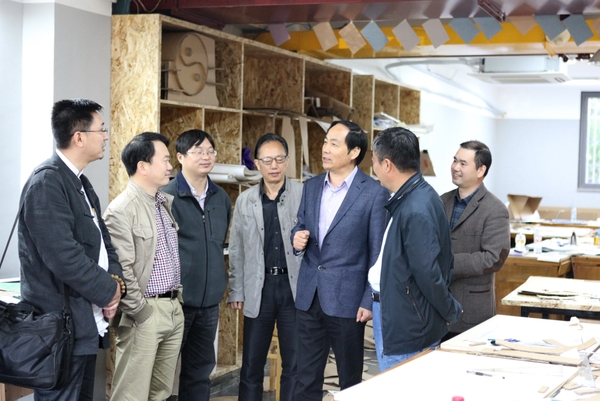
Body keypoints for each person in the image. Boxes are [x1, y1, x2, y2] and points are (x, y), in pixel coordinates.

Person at [18, 98, 124, 400]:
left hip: (85, 323)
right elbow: (64, 257)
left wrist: (116, 285)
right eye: (101, 130)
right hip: (60, 328)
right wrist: (108, 292)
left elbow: (104, 243)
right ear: (79, 137)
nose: (106, 137)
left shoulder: (81, 183)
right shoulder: (47, 183)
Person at [291, 120, 388, 400]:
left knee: (350, 380)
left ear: (354, 152)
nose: (325, 149)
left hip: (349, 301)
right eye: (325, 142)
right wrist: (296, 237)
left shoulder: (374, 193)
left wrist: (368, 299)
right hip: (310, 295)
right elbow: (301, 225)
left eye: (334, 144)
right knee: (305, 377)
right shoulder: (311, 187)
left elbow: (377, 252)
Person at [368, 127, 462, 372]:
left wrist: (449, 310)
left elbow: (428, 273)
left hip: (407, 320)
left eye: (374, 161)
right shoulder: (414, 197)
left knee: (398, 386)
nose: (373, 168)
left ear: (387, 165)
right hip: (403, 312)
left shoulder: (415, 209)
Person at [104, 132, 184, 401]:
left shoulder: (162, 203)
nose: (170, 166)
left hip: (172, 307)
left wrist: (176, 304)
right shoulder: (121, 209)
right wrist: (141, 312)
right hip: (145, 312)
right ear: (143, 166)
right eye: (165, 160)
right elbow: (121, 268)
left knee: (160, 393)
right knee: (132, 395)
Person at [228, 134, 303, 401]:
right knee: (251, 363)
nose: (274, 165)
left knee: (294, 363)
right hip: (258, 288)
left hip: (294, 289)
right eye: (267, 160)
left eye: (279, 159)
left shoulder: (303, 195)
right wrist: (236, 290)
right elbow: (237, 248)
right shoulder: (245, 200)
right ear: (257, 163)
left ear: (287, 161)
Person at [162, 130, 231, 401]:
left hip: (209, 303)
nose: (206, 156)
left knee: (200, 373)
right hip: (175, 303)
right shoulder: (166, 197)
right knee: (162, 374)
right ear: (180, 157)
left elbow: (218, 244)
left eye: (210, 151)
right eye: (198, 151)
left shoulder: (221, 197)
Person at [440, 140, 510, 339]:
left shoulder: (495, 210)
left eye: (463, 163)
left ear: (481, 170)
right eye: (455, 161)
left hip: (471, 311)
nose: (455, 167)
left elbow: (493, 258)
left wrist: (448, 263)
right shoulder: (441, 201)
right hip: (437, 309)